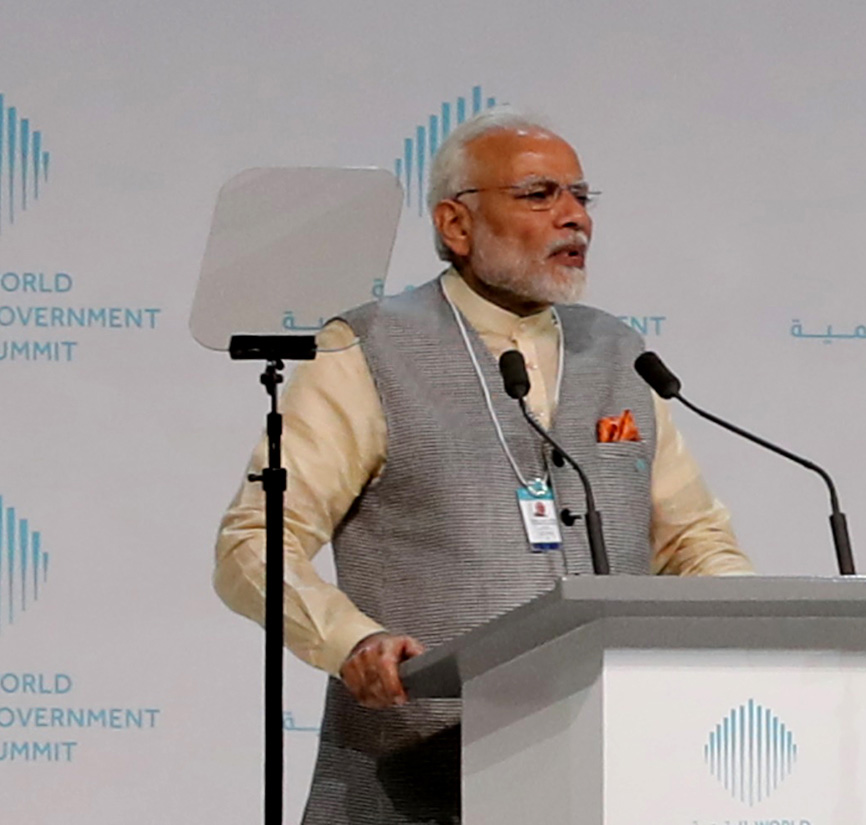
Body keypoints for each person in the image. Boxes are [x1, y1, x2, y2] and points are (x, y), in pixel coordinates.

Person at [214, 109, 752, 825]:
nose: (574, 219)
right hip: (414, 781)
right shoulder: (364, 348)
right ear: (455, 226)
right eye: (540, 195)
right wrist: (349, 641)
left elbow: (692, 542)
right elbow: (252, 544)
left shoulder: (619, 351)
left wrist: (755, 630)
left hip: (606, 766)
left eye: (581, 197)